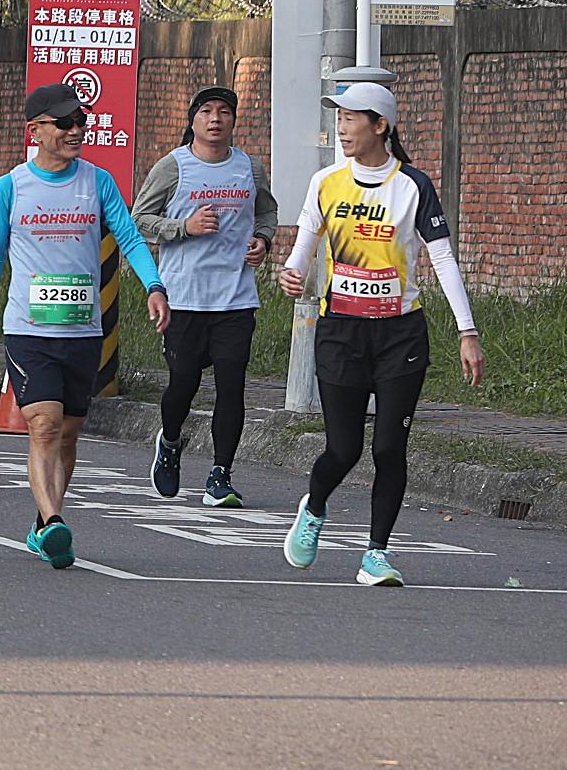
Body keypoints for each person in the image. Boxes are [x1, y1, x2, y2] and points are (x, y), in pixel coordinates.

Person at [279, 81, 487, 589]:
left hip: (400, 337)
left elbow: (441, 257)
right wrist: (291, 273)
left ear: (381, 126)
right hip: (341, 334)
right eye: (339, 118)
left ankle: (376, 554)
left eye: (352, 118)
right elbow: (302, 254)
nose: (342, 128)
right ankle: (316, 507)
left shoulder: (413, 186)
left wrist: (467, 331)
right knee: (344, 450)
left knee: (390, 448)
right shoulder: (325, 182)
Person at [0, 83, 170, 570]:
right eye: (64, 123)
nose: (77, 130)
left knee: (70, 432)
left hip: (82, 331)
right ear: (34, 130)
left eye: (81, 122)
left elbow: (129, 237)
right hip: (28, 330)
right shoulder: (10, 187)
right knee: (44, 425)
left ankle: (43, 523)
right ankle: (55, 521)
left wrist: (154, 286)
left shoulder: (97, 182)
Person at [132, 86, 276, 508]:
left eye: (225, 112)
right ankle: (171, 441)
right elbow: (139, 218)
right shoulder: (174, 167)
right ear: (193, 120)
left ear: (234, 121)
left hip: (235, 299)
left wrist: (263, 240)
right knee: (183, 386)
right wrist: (184, 227)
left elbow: (267, 210)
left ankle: (221, 475)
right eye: (207, 111)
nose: (216, 119)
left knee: (232, 387)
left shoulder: (249, 167)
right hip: (184, 298)